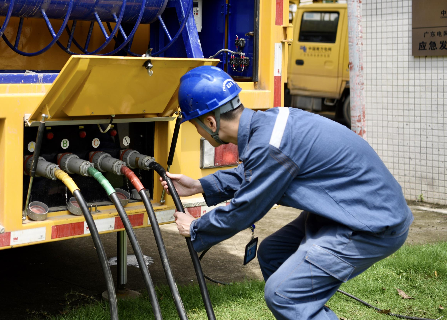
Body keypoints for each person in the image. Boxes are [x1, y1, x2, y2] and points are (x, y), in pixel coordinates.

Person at [161, 66, 413, 320]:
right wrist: (200, 186)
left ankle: (299, 306)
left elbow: (245, 208)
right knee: (273, 253)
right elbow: (260, 173)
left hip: (371, 222)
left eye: (195, 125)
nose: (198, 132)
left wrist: (195, 227)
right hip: (348, 208)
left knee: (284, 296)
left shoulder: (270, 145)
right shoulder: (270, 125)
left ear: (211, 122)